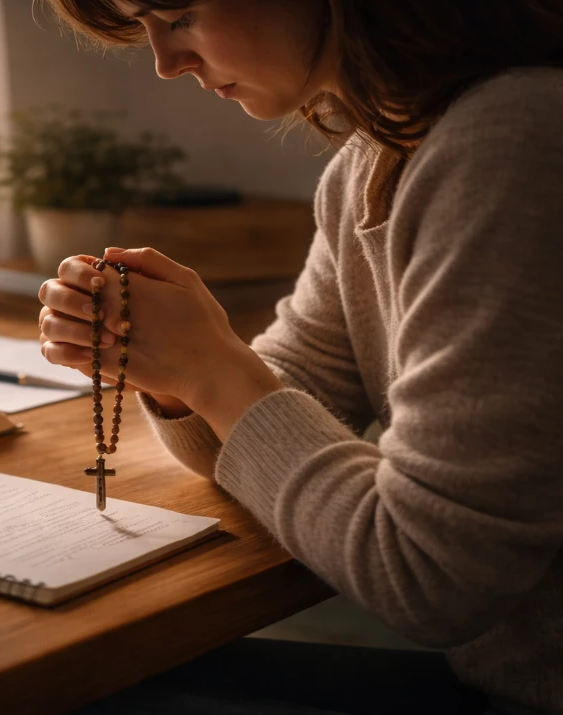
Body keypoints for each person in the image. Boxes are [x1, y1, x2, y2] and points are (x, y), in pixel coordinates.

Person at [35, 1, 563, 713]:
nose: (165, 62)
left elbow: (430, 576)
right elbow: (287, 405)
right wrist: (175, 378)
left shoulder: (515, 136)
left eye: (180, 13)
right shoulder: (369, 162)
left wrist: (211, 367)